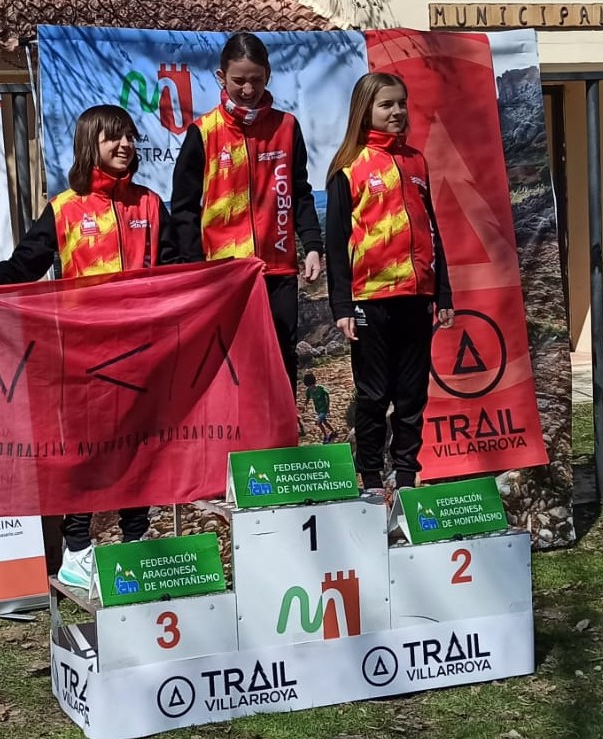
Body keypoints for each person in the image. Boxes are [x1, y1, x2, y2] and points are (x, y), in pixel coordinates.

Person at [0, 105, 179, 590]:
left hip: (142, 354)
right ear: (90, 145)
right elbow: (20, 269)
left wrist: (229, 275)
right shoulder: (65, 208)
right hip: (82, 358)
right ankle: (78, 548)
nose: (126, 145)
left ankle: (135, 544)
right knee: (85, 453)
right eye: (113, 138)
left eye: (130, 136)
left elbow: (177, 270)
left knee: (139, 449)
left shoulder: (150, 203)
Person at [171, 31, 324, 393]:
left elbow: (300, 192)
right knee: (230, 362)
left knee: (282, 361)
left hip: (279, 268)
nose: (247, 89)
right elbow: (184, 208)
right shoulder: (203, 132)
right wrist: (197, 267)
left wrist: (312, 244)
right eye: (238, 80)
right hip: (225, 273)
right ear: (221, 77)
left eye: (256, 80)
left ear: (268, 75)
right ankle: (235, 444)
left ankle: (282, 444)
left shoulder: (286, 127)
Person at [324, 72, 454, 497]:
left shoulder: (417, 161)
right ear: (366, 111)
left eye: (401, 103)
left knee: (412, 395)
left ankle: (405, 477)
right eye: (386, 105)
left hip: (416, 299)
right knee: (374, 395)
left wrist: (444, 293)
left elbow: (431, 230)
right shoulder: (349, 167)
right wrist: (342, 306)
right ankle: (371, 481)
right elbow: (336, 241)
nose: (397, 111)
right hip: (370, 300)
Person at [302, 373, 335, 444]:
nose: (311, 387)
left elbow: (327, 396)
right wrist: (305, 405)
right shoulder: (308, 391)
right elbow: (307, 398)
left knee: (319, 422)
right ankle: (333, 431)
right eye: (309, 386)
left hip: (324, 409)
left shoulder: (321, 389)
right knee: (325, 422)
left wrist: (328, 407)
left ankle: (326, 436)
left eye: (311, 385)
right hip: (318, 409)